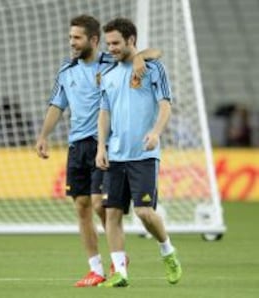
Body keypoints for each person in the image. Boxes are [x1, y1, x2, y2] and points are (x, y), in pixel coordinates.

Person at [35, 14, 162, 287]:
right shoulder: (65, 70)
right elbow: (57, 105)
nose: (72, 42)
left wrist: (140, 56)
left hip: (103, 144)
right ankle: (96, 269)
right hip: (76, 145)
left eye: (77, 37)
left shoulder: (111, 62)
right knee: (81, 208)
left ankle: (119, 257)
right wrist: (43, 136)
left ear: (93, 40)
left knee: (98, 203)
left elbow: (154, 52)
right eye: (70, 37)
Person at [95, 17, 182, 287]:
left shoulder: (153, 68)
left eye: (116, 43)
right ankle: (120, 271)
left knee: (144, 212)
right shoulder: (107, 74)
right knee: (112, 213)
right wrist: (101, 145)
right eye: (108, 43)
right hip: (116, 154)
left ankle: (167, 250)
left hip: (144, 154)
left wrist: (156, 132)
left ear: (131, 40)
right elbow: (104, 112)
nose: (111, 48)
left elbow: (165, 104)